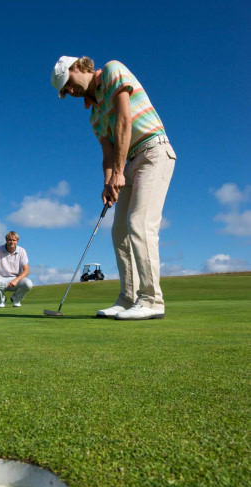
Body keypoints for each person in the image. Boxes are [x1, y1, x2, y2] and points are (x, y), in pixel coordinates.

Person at [51, 56, 177, 320]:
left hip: (154, 151)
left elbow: (124, 121)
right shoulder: (94, 116)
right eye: (65, 91)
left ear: (78, 67)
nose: (70, 91)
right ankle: (128, 297)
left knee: (139, 223)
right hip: (127, 162)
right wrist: (109, 183)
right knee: (119, 231)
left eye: (68, 83)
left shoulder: (111, 70)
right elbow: (108, 154)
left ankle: (152, 300)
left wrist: (118, 172)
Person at [0, 231, 33, 307]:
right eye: (10, 240)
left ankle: (16, 299)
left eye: (14, 240)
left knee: (28, 283)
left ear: (17, 241)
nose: (12, 242)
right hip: (2, 278)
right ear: (6, 240)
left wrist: (16, 280)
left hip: (16, 279)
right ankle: (2, 299)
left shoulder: (22, 251)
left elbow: (26, 271)